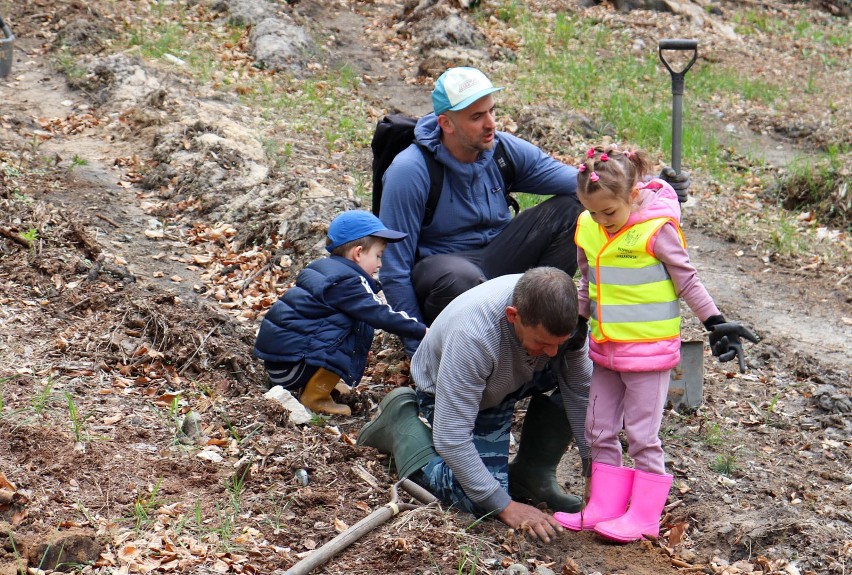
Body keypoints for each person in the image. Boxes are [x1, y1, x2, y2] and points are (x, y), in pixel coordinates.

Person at [378, 66, 689, 355]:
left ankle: (535, 323)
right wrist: (417, 346)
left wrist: (650, 186)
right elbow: (394, 270)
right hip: (444, 274)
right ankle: (474, 345)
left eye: (491, 111)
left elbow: (582, 184)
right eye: (476, 117)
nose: (490, 124)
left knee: (574, 210)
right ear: (446, 123)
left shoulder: (500, 150)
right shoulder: (410, 172)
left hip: (498, 255)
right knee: (461, 279)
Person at [552, 145, 758, 543]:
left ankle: (643, 517)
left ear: (632, 195)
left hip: (648, 354)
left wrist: (714, 322)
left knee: (643, 436)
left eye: (608, 212)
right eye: (592, 212)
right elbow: (586, 281)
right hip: (605, 349)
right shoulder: (588, 227)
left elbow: (688, 281)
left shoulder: (656, 229)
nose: (601, 221)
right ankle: (604, 506)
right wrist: (578, 323)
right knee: (598, 429)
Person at [357, 267, 593, 543]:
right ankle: (401, 424)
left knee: (598, 378)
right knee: (478, 501)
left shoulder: (566, 320)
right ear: (513, 316)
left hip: (515, 375)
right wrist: (506, 506)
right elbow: (452, 438)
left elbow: (582, 394)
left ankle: (533, 472)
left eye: (558, 343)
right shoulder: (473, 336)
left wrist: (594, 472)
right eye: (543, 342)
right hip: (459, 394)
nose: (553, 352)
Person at [253, 211, 428, 416]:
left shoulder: (329, 271)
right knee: (352, 329)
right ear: (358, 253)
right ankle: (315, 396)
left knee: (349, 326)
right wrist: (421, 330)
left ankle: (321, 384)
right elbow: (380, 313)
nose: (380, 264)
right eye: (378, 256)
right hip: (291, 371)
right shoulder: (348, 281)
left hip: (281, 364)